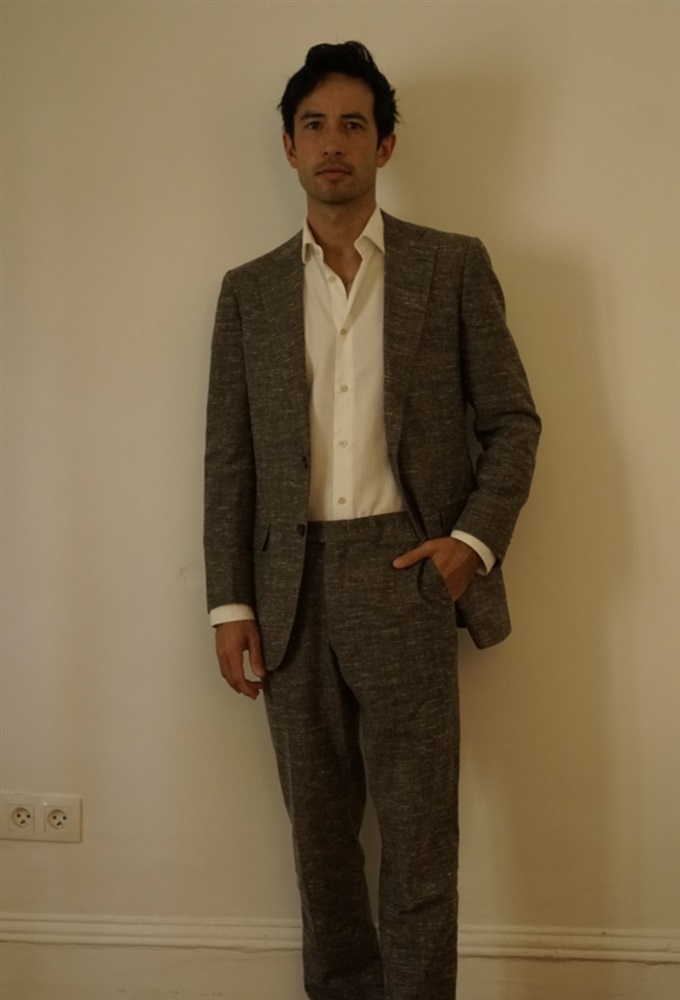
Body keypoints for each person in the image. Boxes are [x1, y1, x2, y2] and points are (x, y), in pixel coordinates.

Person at [204, 41, 540, 1000]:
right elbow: (229, 458)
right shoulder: (249, 291)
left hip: (407, 573)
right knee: (320, 841)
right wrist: (230, 603)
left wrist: (468, 547)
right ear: (288, 146)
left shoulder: (451, 265)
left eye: (353, 124)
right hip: (290, 589)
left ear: (385, 145)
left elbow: (513, 421)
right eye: (314, 125)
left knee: (421, 837)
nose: (333, 142)